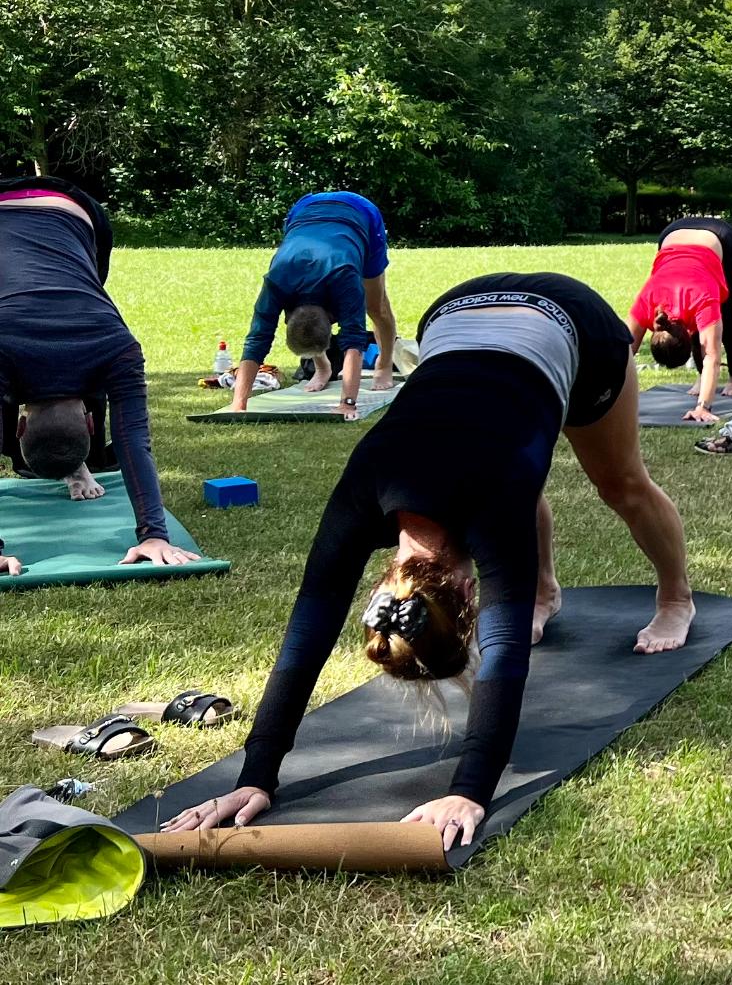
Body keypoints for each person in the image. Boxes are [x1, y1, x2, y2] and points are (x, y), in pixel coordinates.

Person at [158, 271, 696, 850]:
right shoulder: (368, 493)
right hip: (454, 315)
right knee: (514, 465)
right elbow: (307, 631)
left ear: (468, 594)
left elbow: (504, 654)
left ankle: (676, 598)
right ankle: (545, 591)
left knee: (619, 483)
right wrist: (255, 776)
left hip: (572, 321)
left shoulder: (472, 501)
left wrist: (471, 790)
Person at [0, 176, 200, 575]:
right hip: (67, 211)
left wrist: (155, 534)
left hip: (75, 210)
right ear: (92, 424)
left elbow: (135, 442)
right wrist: (153, 535)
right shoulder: (115, 347)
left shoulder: (117, 346)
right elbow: (133, 441)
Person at [230, 191, 399, 419]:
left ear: (331, 319)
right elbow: (256, 340)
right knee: (305, 327)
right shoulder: (276, 283)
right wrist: (239, 404)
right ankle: (322, 367)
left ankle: (384, 364)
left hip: (361, 214)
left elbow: (354, 340)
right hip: (306, 209)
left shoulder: (345, 279)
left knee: (376, 307)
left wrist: (347, 404)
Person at [629, 216, 732, 424]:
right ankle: (702, 376)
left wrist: (703, 408)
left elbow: (712, 357)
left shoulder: (704, 299)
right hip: (671, 234)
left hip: (720, 237)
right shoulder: (647, 301)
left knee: (725, 311)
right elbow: (623, 352)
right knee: (711, 327)